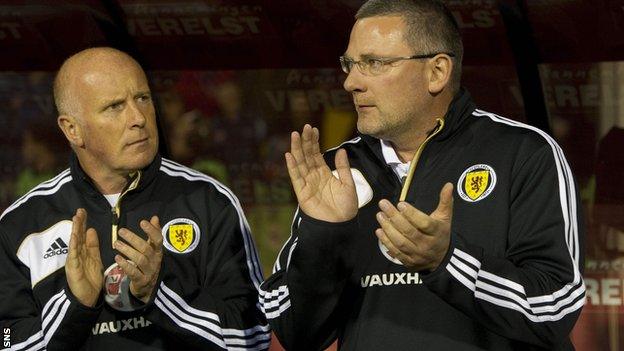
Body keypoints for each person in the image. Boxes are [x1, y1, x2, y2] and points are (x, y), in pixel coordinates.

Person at [259, 1, 585, 350]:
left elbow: (554, 307)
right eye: (350, 64)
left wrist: (446, 261)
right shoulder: (336, 170)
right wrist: (324, 235)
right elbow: (295, 334)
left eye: (373, 63)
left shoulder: (522, 152)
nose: (351, 82)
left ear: (437, 71)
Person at [0, 47, 269, 350]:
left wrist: (160, 295)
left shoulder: (209, 201)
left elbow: (254, 335)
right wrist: (74, 306)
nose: (138, 118)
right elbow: (6, 340)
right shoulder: (21, 224)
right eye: (115, 106)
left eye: (143, 98)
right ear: (72, 129)